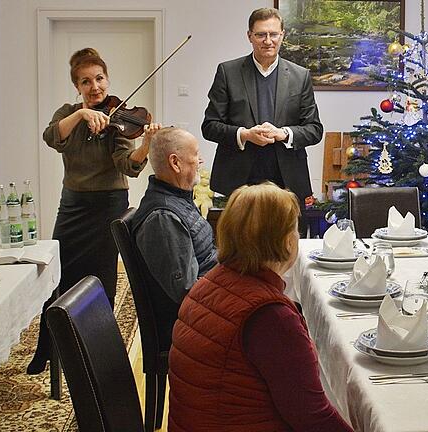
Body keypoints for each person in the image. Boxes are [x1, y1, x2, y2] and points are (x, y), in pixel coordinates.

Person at [168, 183, 353, 432]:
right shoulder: (270, 317)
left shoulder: (208, 284)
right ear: (288, 241)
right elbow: (312, 418)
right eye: (295, 230)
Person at [27, 47, 161, 374]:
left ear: (107, 78)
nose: (95, 86)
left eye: (99, 78)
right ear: (77, 87)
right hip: (73, 205)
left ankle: (97, 351)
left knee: (101, 279)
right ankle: (47, 348)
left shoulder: (118, 119)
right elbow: (50, 136)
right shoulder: (67, 114)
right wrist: (82, 115)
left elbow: (126, 166)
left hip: (108, 206)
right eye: (86, 81)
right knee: (57, 279)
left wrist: (146, 144)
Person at [201, 8, 323, 219]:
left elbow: (314, 129)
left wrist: (283, 133)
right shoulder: (228, 72)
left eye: (273, 34)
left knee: (285, 248)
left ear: (282, 35)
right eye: (260, 34)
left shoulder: (300, 76)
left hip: (287, 181)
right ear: (249, 36)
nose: (268, 41)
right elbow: (210, 126)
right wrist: (245, 135)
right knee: (240, 247)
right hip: (238, 181)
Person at [131, 127, 217, 349]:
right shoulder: (163, 217)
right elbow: (187, 292)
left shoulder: (178, 198)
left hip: (208, 301)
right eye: (196, 155)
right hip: (189, 326)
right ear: (175, 163)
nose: (200, 160)